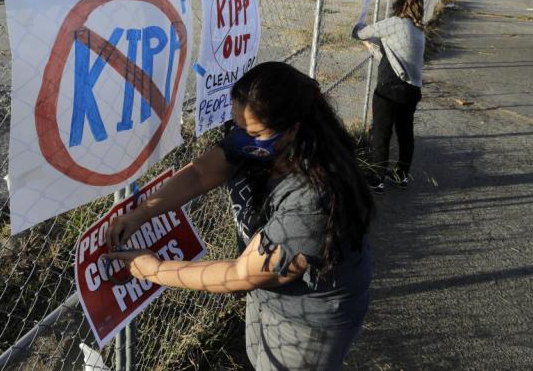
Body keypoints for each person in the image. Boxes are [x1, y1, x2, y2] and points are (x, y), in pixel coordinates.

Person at [106, 62, 374, 371]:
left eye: (255, 133)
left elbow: (241, 275)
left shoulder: (315, 199)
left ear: (293, 128)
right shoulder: (254, 137)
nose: (244, 139)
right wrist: (142, 213)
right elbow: (199, 175)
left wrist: (153, 270)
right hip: (268, 293)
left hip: (310, 315)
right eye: (238, 126)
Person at [352, 0, 425, 192]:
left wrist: (358, 27)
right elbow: (390, 57)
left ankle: (377, 177)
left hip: (389, 89)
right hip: (412, 91)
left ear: (400, 7)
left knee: (381, 133)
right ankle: (401, 175)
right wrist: (371, 46)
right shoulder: (419, 31)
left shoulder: (396, 23)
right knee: (405, 133)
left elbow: (361, 32)